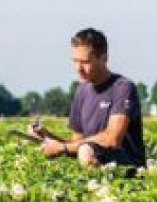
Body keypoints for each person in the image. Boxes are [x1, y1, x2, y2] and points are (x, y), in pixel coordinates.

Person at [29, 27, 146, 168]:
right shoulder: (82, 91)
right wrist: (48, 137)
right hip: (94, 165)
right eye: (75, 61)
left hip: (127, 169)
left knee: (86, 151)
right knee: (84, 150)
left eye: (85, 62)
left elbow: (112, 139)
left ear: (104, 58)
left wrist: (63, 148)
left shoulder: (123, 87)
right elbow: (75, 146)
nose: (78, 68)